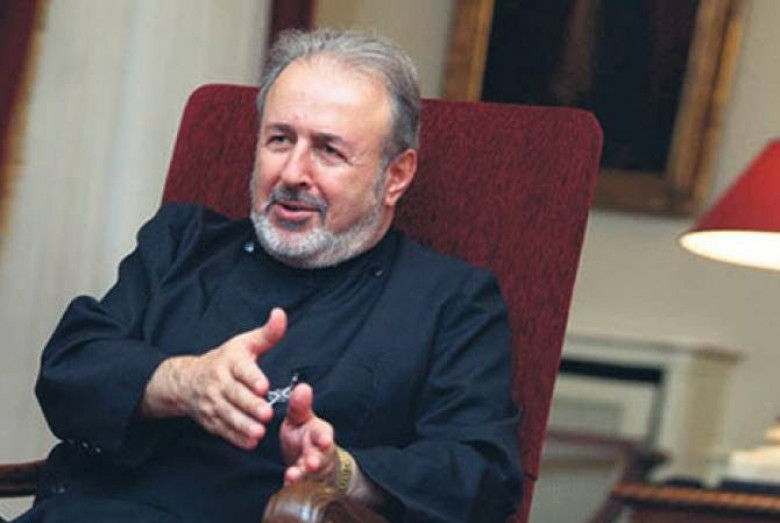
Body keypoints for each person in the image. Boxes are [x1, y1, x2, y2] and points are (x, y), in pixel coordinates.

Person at [14, 29, 521, 523]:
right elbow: (70, 368)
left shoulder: (450, 301)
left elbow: (482, 475)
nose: (293, 173)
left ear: (396, 176)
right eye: (280, 140)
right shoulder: (184, 242)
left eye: (328, 150)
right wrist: (183, 381)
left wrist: (341, 473)